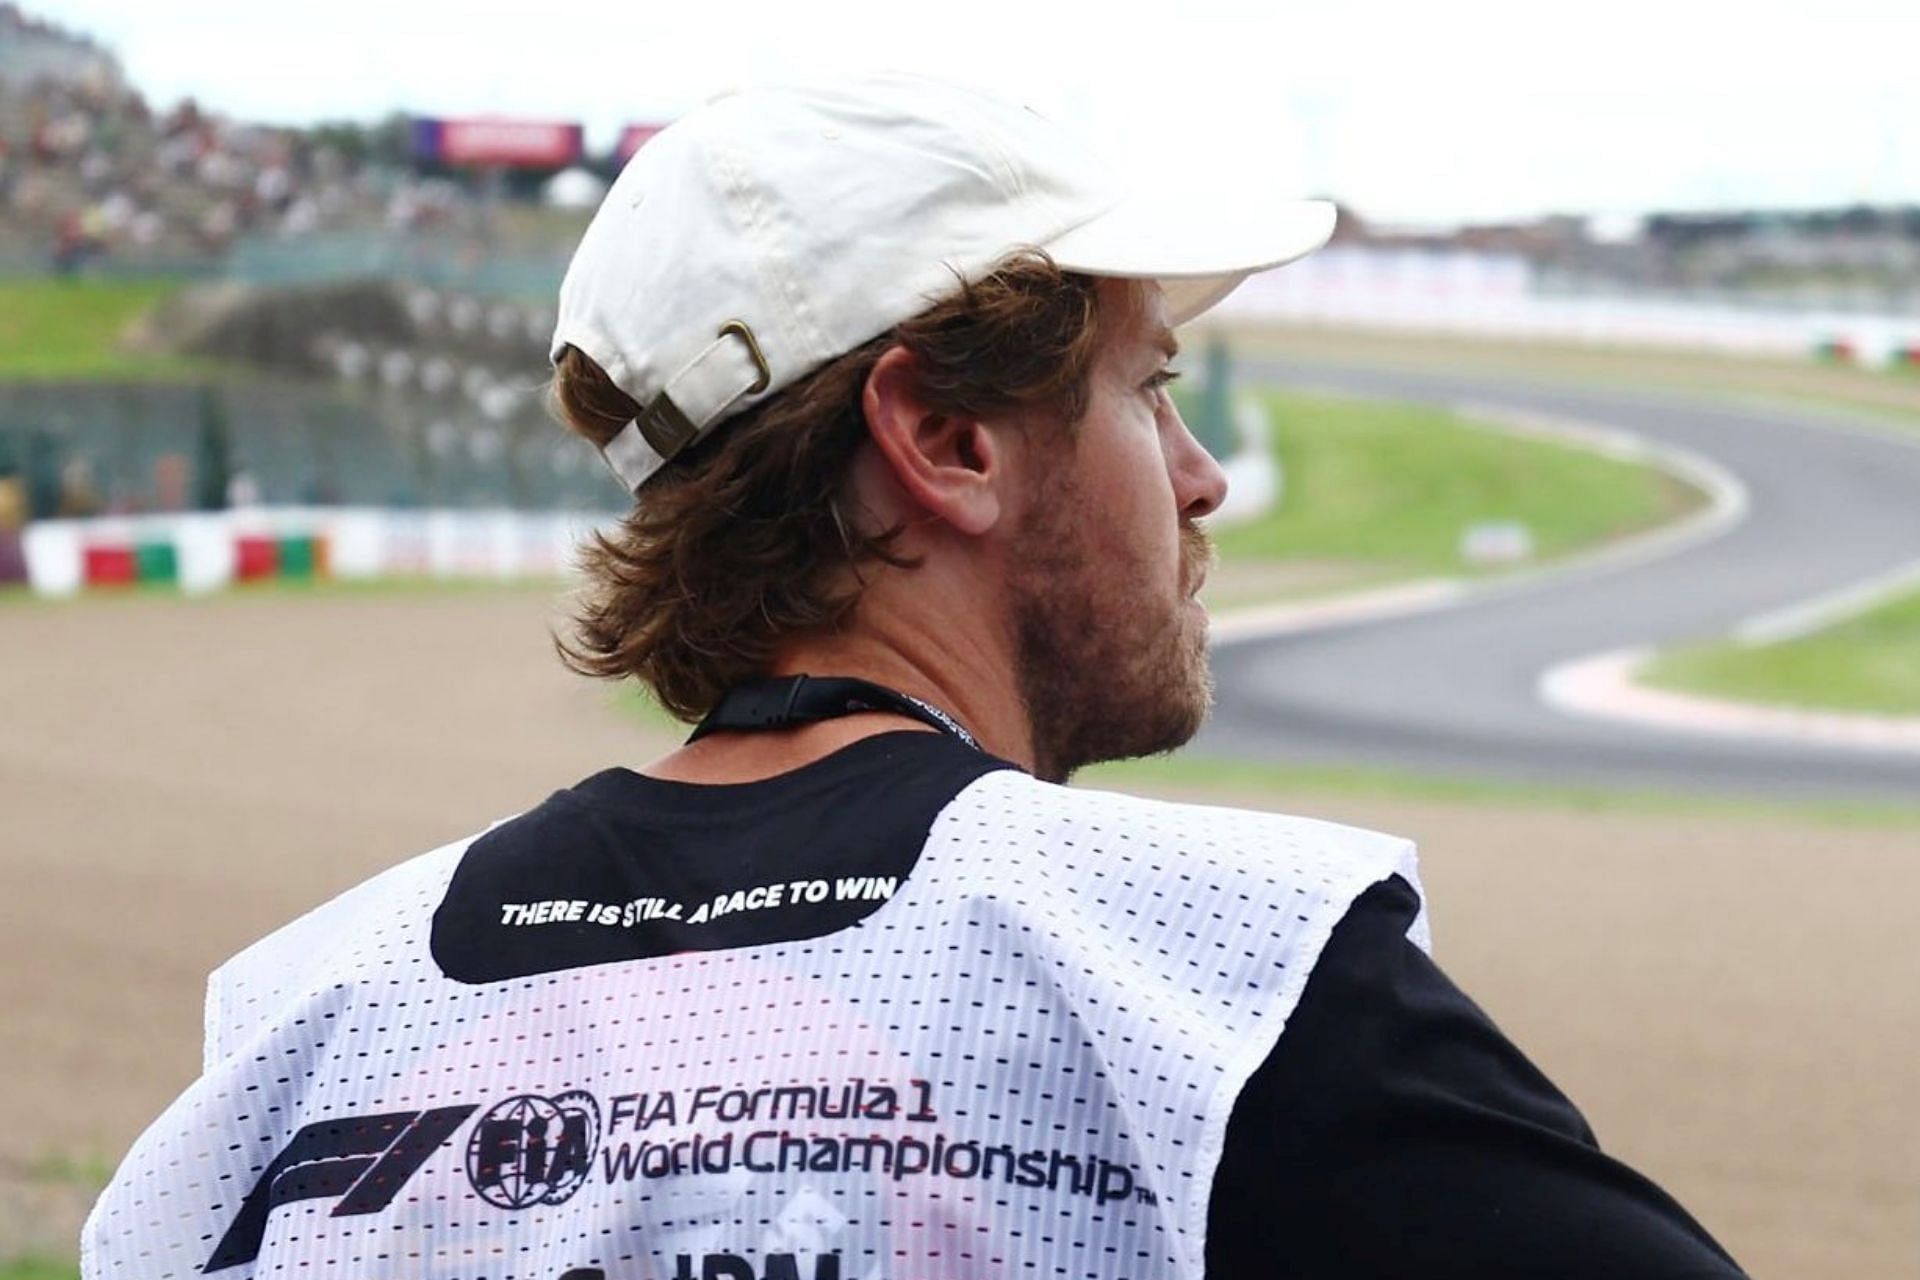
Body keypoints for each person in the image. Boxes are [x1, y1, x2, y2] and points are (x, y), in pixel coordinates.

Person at [83, 75, 1746, 1280]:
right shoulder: (1213, 972)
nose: (1200, 476)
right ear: (947, 442)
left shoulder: (307, 1026)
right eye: (1145, 389)